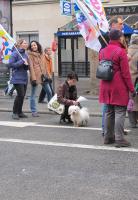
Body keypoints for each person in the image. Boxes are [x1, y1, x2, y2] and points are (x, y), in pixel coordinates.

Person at [99, 29, 135, 147]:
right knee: (120, 111)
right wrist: (131, 89)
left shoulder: (102, 51)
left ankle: (108, 137)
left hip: (105, 84)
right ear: (119, 38)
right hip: (118, 86)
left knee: (109, 112)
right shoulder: (121, 52)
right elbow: (126, 74)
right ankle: (119, 139)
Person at [100, 16, 127, 136]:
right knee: (115, 109)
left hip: (108, 80)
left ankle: (109, 134)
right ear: (113, 25)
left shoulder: (119, 38)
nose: (123, 25)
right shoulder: (106, 37)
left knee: (110, 110)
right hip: (113, 79)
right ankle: (107, 131)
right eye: (121, 23)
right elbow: (125, 72)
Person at [28, 41, 52, 117]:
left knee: (49, 92)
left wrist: (49, 76)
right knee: (33, 95)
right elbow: (31, 67)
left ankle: (50, 106)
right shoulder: (30, 55)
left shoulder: (41, 54)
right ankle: (34, 111)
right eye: (32, 46)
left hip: (43, 77)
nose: (33, 46)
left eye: (34, 45)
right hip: (35, 76)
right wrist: (33, 79)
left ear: (37, 45)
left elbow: (45, 66)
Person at [8, 39, 29, 120]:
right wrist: (21, 61)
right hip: (17, 78)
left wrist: (26, 65)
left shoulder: (25, 54)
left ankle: (20, 112)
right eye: (25, 43)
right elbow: (11, 65)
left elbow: (26, 67)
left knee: (22, 96)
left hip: (24, 78)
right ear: (20, 44)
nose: (26, 44)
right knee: (20, 95)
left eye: (26, 43)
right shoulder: (15, 53)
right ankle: (15, 112)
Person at [127, 34, 138, 128]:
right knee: (137, 101)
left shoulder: (125, 51)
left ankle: (132, 122)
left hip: (127, 81)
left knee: (130, 101)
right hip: (136, 81)